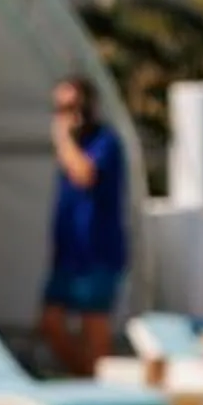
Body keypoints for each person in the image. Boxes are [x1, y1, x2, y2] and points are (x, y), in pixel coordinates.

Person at [41, 74, 128, 379]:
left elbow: (85, 175)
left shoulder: (105, 142)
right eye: (59, 109)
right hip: (69, 254)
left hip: (98, 252)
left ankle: (103, 385)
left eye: (70, 107)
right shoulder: (72, 149)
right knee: (50, 322)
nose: (64, 116)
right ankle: (87, 378)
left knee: (94, 326)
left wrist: (63, 139)